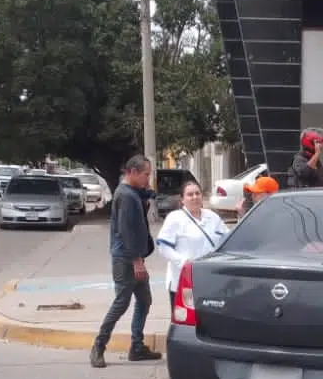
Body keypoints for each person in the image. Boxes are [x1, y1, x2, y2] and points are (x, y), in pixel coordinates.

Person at [92, 155, 162, 368]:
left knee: (144, 300)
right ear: (132, 172)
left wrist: (151, 192)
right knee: (121, 302)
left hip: (133, 257)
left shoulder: (132, 192)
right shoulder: (126, 196)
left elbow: (145, 193)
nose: (147, 179)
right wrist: (136, 261)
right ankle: (99, 346)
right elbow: (126, 232)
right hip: (126, 259)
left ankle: (137, 347)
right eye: (145, 174)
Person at [155, 181, 228, 312]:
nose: (194, 197)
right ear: (182, 199)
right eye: (190, 194)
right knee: (186, 321)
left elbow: (227, 240)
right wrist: (184, 262)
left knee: (208, 319)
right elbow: (164, 248)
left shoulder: (212, 217)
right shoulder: (175, 218)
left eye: (197, 193)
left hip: (209, 280)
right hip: (184, 281)